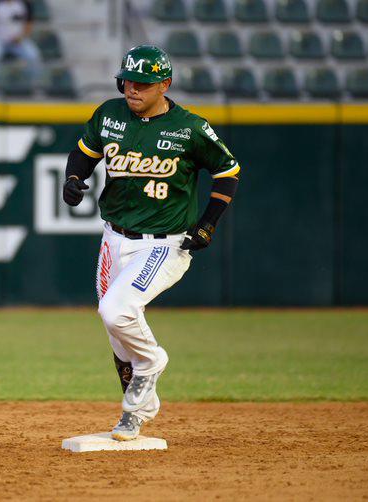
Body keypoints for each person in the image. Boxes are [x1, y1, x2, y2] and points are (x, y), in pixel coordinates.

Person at [62, 45, 241, 440]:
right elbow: (83, 154)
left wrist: (208, 223)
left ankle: (153, 361)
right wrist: (73, 179)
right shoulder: (109, 114)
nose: (132, 88)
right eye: (127, 80)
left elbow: (228, 172)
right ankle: (136, 414)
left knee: (116, 310)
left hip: (164, 243)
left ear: (165, 84)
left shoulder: (189, 128)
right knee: (116, 333)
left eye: (142, 83)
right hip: (114, 237)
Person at [0, 0, 42, 81]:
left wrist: (22, 37)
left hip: (18, 41)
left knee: (33, 55)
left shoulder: (24, 4)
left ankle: (33, 82)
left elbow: (29, 24)